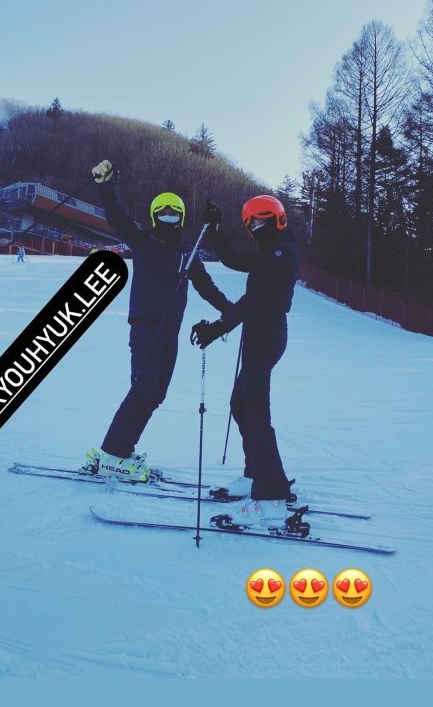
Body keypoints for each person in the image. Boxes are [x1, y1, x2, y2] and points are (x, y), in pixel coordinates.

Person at [85, 159, 232, 483]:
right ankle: (113, 454)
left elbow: (206, 287)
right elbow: (118, 218)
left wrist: (232, 311)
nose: (168, 216)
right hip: (146, 325)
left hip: (170, 330)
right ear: (154, 215)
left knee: (156, 394)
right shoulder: (144, 240)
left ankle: (123, 449)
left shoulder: (187, 253)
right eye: (163, 211)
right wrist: (106, 186)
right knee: (143, 389)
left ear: (181, 217)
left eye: (174, 212)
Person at [191, 195, 300, 530]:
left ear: (278, 219)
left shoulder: (281, 254)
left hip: (266, 336)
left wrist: (216, 328)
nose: (256, 227)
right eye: (252, 222)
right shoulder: (270, 251)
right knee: (241, 405)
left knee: (256, 413)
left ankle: (270, 497)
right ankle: (258, 476)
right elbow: (232, 259)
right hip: (259, 335)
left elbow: (253, 301)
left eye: (262, 220)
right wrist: (215, 229)